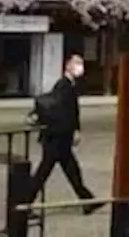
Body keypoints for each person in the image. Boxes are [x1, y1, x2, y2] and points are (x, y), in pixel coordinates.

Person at [29, 54, 103, 214]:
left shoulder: (68, 85)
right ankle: (25, 203)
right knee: (45, 173)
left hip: (58, 138)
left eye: (81, 63)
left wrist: (75, 129)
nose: (80, 66)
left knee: (70, 170)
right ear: (67, 65)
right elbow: (66, 112)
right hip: (57, 138)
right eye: (76, 63)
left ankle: (87, 200)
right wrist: (74, 130)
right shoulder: (64, 86)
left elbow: (71, 112)